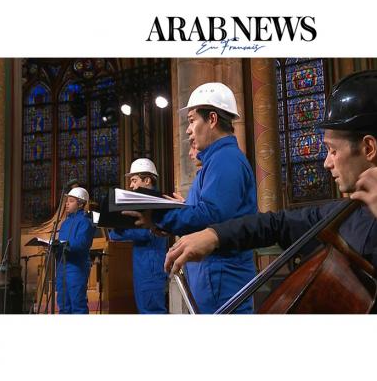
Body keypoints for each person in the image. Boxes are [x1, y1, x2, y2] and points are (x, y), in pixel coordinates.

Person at [164, 70, 377, 314]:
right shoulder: (348, 214)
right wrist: (214, 235)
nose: (326, 163)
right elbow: (276, 224)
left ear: (368, 147)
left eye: (332, 149)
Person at [125, 82, 258, 314]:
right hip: (212, 275)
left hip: (221, 276)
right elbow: (206, 212)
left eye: (192, 120)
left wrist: (158, 213)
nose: (188, 130)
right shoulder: (214, 162)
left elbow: (212, 215)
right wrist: (173, 214)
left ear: (213, 119)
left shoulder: (225, 159)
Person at [109, 158, 168, 314]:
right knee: (145, 310)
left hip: (151, 266)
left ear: (147, 180)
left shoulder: (155, 203)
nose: (131, 186)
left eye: (134, 180)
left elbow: (145, 232)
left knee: (152, 312)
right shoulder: (144, 203)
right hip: (143, 265)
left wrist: (117, 231)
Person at [56, 187, 96, 314]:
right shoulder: (65, 223)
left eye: (71, 201)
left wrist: (64, 245)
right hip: (62, 266)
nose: (67, 204)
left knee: (77, 304)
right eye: (67, 201)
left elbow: (82, 244)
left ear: (81, 204)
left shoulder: (85, 222)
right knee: (63, 305)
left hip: (76, 267)